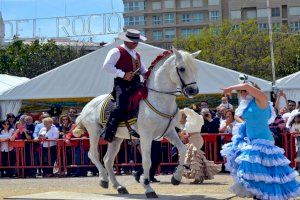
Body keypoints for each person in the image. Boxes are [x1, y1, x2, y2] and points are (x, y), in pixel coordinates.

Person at [221, 75, 300, 199]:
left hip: (263, 142)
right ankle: (258, 196)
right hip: (251, 141)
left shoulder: (262, 100)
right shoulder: (247, 105)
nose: (241, 94)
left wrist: (229, 88)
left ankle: (265, 196)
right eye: (241, 92)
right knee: (255, 173)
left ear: (250, 90)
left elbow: (246, 85)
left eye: (242, 91)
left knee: (266, 174)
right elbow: (241, 117)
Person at [101, 29, 147, 142]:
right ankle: (108, 132)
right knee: (120, 106)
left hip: (136, 83)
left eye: (137, 41)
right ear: (126, 40)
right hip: (122, 83)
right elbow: (107, 66)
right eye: (134, 41)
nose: (136, 43)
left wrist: (149, 74)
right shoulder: (116, 51)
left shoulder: (137, 54)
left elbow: (142, 69)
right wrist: (122, 74)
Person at [180, 108, 221, 184]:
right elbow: (184, 130)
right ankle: (200, 177)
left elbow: (190, 112)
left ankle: (197, 178)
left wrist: (182, 110)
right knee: (196, 158)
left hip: (196, 138)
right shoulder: (189, 120)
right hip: (191, 139)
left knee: (194, 157)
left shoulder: (198, 117)